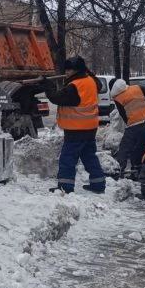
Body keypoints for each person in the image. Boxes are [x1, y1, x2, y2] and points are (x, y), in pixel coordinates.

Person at [43, 56, 106, 194]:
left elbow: (57, 98)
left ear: (76, 70)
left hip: (76, 129)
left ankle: (65, 187)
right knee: (89, 156)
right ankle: (98, 184)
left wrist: (48, 86)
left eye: (69, 70)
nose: (66, 72)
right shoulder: (91, 81)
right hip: (90, 127)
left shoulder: (75, 86)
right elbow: (98, 84)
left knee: (68, 158)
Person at [109, 77, 145, 180]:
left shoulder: (118, 98)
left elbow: (123, 115)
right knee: (140, 146)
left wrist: (129, 124)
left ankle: (118, 170)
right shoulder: (137, 88)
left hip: (134, 125)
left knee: (125, 148)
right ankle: (137, 170)